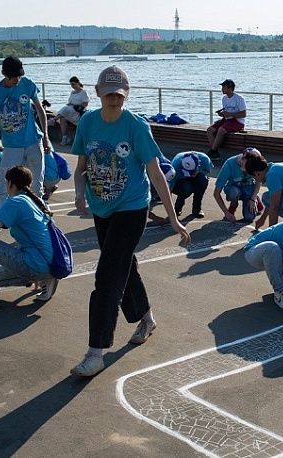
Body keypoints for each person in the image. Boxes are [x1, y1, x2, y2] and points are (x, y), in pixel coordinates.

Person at [70, 65, 190, 377]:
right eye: (108, 93)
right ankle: (146, 318)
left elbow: (155, 173)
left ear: (127, 93)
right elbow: (81, 166)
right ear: (97, 92)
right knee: (124, 265)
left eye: (119, 94)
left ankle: (95, 351)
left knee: (107, 276)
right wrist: (80, 193)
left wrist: (173, 218)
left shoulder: (136, 126)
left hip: (132, 207)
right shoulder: (87, 122)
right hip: (101, 208)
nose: (114, 99)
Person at [0, 166, 60, 309]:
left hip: (36, 262)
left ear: (9, 184)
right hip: (50, 262)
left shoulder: (15, 201)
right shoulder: (37, 201)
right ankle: (44, 277)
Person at [0, 56, 51, 217]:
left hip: (34, 141)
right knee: (3, 187)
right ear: (4, 74)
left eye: (19, 75)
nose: (17, 79)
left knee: (36, 186)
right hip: (12, 146)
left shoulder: (27, 84)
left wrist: (46, 137)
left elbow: (40, 111)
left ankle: (41, 221)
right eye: (13, 76)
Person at [213, 147, 263, 223]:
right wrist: (227, 213)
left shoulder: (255, 163)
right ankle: (233, 204)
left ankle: (255, 198)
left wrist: (253, 198)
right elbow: (216, 193)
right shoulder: (229, 164)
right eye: (248, 167)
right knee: (233, 193)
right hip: (234, 189)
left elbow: (258, 181)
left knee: (249, 217)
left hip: (249, 189)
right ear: (243, 159)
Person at [206, 79, 246, 161]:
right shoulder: (224, 98)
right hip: (227, 120)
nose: (222, 89)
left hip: (237, 122)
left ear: (230, 88)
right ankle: (215, 152)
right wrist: (221, 113)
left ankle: (212, 151)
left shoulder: (239, 99)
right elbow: (226, 110)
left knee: (221, 130)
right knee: (210, 130)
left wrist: (230, 114)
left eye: (224, 87)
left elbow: (243, 114)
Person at [169, 151, 213, 218]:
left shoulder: (204, 159)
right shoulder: (175, 166)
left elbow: (208, 170)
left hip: (198, 175)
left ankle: (197, 209)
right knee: (187, 188)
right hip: (180, 180)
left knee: (203, 180)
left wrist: (198, 172)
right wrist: (170, 209)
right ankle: (177, 208)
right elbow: (170, 189)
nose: (190, 175)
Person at [54, 76, 90, 146]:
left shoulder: (83, 92)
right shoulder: (72, 92)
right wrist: (71, 104)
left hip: (78, 111)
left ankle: (54, 119)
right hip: (71, 111)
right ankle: (65, 137)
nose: (72, 86)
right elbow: (70, 102)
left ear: (78, 83)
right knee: (63, 118)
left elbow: (85, 104)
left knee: (65, 109)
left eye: (73, 84)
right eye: (71, 85)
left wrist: (73, 105)